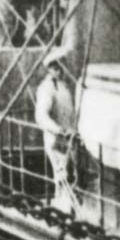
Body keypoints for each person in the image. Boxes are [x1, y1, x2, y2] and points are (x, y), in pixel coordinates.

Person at [34, 47, 78, 209]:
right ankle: (63, 208)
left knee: (70, 174)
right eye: (56, 67)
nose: (59, 70)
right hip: (56, 140)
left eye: (61, 66)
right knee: (62, 175)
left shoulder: (63, 86)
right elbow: (41, 116)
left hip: (69, 138)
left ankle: (68, 206)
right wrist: (58, 130)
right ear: (50, 69)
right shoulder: (47, 88)